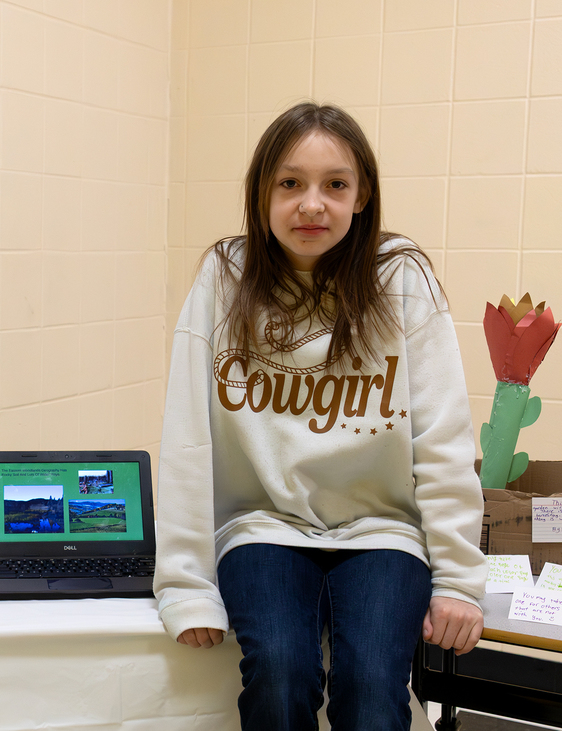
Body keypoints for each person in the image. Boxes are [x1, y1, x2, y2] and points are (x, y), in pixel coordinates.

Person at [153, 102, 487, 731]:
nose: (312, 204)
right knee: (279, 668)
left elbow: (441, 438)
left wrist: (460, 582)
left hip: (382, 531)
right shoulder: (224, 277)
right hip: (262, 526)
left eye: (335, 184)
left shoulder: (402, 278)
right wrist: (185, 584)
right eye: (290, 183)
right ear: (260, 194)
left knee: (369, 682)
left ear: (362, 197)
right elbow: (187, 439)